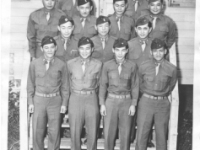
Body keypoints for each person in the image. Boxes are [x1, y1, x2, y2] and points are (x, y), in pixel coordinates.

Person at [27, 36, 69, 150]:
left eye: (51, 47)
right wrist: (30, 102)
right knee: (37, 130)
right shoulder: (34, 64)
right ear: (42, 49)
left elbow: (65, 86)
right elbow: (30, 84)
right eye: (46, 48)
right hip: (39, 100)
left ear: (55, 48)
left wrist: (64, 104)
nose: (49, 50)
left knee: (54, 131)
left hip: (55, 101)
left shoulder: (61, 64)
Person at [136, 38, 178, 150]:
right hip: (146, 102)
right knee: (141, 135)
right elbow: (139, 83)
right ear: (151, 52)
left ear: (165, 51)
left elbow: (171, 85)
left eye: (160, 50)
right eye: (155, 51)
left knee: (161, 136)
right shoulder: (143, 66)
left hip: (163, 104)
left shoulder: (172, 69)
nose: (158, 53)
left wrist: (162, 95)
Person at [99, 38, 139, 150]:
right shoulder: (107, 65)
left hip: (126, 101)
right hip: (111, 101)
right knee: (108, 133)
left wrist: (133, 104)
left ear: (127, 51)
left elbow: (135, 86)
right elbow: (103, 85)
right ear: (113, 50)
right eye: (117, 50)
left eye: (122, 50)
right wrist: (102, 104)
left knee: (125, 133)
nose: (120, 53)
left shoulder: (132, 66)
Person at [67, 37, 102, 150]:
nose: (85, 51)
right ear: (78, 49)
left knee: (92, 130)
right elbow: (67, 83)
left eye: (87, 48)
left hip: (91, 98)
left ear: (92, 49)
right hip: (75, 98)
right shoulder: (70, 64)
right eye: (82, 49)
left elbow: (101, 84)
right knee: (75, 131)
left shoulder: (98, 64)